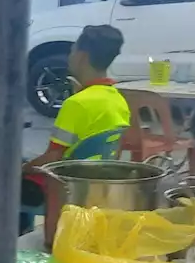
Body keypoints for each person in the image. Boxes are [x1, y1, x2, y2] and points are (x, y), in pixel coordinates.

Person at [24, 25, 130, 171]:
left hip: (68, 182)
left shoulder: (75, 104)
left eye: (72, 51)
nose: (70, 57)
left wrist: (22, 171)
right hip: (99, 178)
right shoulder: (118, 100)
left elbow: (53, 157)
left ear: (82, 56)